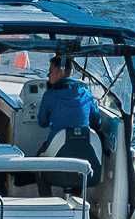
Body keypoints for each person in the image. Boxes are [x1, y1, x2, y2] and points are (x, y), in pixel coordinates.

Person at [35, 56, 102, 196]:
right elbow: (97, 122)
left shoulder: (50, 95)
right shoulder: (86, 93)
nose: (48, 75)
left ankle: (47, 203)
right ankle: (76, 202)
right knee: (78, 164)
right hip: (86, 155)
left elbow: (42, 122)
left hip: (58, 152)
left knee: (38, 163)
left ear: (61, 71)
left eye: (50, 71)